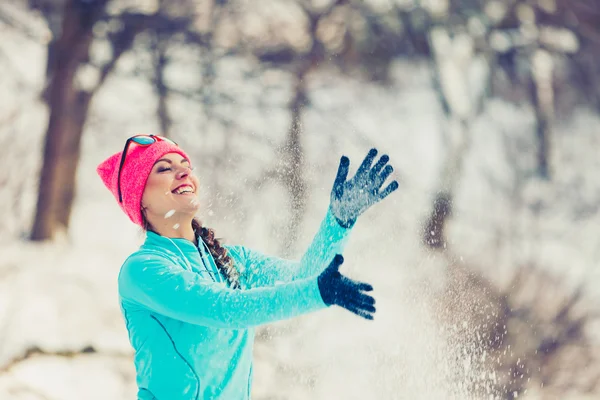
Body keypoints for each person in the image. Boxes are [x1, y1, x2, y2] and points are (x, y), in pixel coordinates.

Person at [96, 134, 399, 400]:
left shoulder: (228, 259)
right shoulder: (143, 271)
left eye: (186, 166)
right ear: (141, 199)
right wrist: (318, 292)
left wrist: (338, 222)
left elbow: (303, 277)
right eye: (165, 168)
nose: (184, 172)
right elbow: (225, 309)